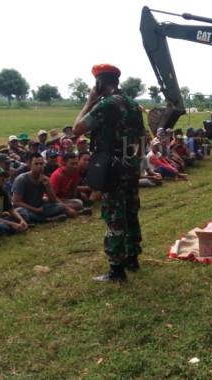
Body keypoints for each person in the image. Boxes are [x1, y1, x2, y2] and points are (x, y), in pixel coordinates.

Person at [72, 63, 146, 282]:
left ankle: (116, 269)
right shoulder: (133, 104)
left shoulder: (106, 105)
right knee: (131, 211)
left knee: (114, 215)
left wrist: (89, 102)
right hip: (129, 163)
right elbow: (142, 137)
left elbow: (77, 128)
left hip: (111, 166)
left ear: (99, 82)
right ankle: (132, 258)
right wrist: (136, 162)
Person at [12, 153, 74, 223]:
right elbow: (16, 202)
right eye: (36, 164)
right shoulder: (21, 179)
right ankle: (47, 219)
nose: (39, 166)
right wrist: (36, 209)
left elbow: (53, 200)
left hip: (40, 207)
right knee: (22, 212)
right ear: (30, 165)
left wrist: (47, 186)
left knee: (59, 206)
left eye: (41, 164)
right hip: (26, 208)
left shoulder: (45, 179)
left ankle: (40, 218)